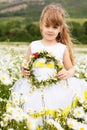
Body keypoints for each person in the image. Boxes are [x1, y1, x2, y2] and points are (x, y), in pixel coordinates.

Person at [10, 3, 87, 126]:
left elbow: (71, 68)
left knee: (53, 118)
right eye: (47, 26)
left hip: (56, 88)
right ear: (41, 25)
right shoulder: (34, 45)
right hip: (34, 88)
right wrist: (24, 70)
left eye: (55, 27)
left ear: (60, 28)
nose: (50, 30)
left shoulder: (62, 48)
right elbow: (25, 65)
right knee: (34, 117)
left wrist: (67, 73)